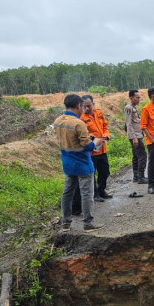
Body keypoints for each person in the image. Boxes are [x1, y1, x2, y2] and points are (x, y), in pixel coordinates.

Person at [53, 94, 105, 231]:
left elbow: (70, 139)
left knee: (67, 193)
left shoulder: (58, 120)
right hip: (82, 164)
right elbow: (88, 146)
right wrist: (96, 141)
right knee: (87, 194)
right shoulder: (78, 123)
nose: (83, 109)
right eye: (82, 106)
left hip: (67, 163)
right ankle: (88, 224)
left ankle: (66, 222)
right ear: (78, 106)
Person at [81, 95, 112, 202]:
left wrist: (106, 135)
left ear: (93, 104)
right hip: (91, 151)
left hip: (102, 149)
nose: (86, 109)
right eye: (84, 107)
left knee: (105, 171)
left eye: (88, 106)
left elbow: (105, 126)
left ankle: (102, 190)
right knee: (92, 174)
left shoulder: (99, 113)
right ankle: (95, 194)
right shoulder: (81, 118)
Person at [124, 89, 148, 184]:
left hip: (138, 134)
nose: (139, 99)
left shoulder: (134, 107)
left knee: (136, 155)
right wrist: (134, 137)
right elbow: (128, 124)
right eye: (137, 97)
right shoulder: (129, 108)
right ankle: (141, 176)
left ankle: (136, 176)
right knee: (142, 155)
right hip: (135, 136)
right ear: (131, 98)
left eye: (139, 97)